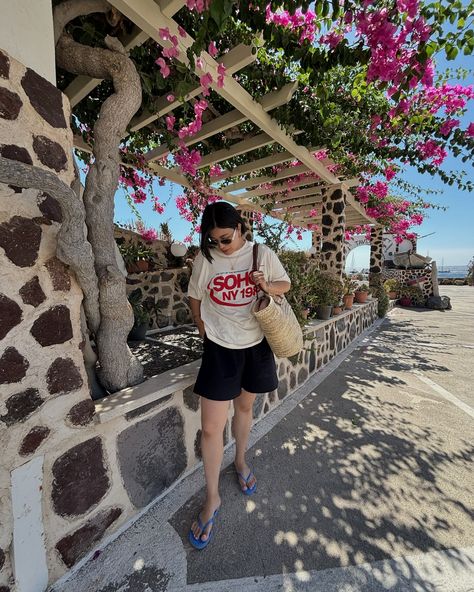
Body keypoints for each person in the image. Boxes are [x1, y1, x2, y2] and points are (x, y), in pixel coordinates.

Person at [187, 202, 291, 549]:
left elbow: (284, 284)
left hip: (255, 345)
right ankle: (212, 497)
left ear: (241, 228)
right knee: (211, 427)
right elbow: (194, 297)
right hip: (219, 348)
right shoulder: (207, 259)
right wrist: (204, 330)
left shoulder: (261, 254)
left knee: (244, 410)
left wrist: (266, 284)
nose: (221, 245)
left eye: (226, 238)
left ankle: (241, 460)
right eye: (214, 240)